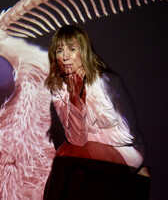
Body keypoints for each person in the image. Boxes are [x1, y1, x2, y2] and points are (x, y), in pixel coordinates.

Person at [43, 25, 146, 199]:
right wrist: (76, 98)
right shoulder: (59, 90)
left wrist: (89, 145)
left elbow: (129, 136)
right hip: (85, 155)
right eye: (60, 50)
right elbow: (77, 139)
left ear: (83, 52)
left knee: (65, 152)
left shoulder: (109, 82)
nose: (66, 56)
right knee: (76, 176)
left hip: (127, 152)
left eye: (72, 49)